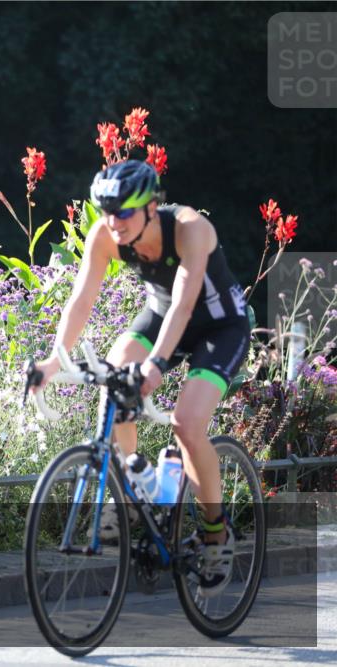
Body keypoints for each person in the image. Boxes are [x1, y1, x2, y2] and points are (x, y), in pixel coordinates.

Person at [30, 159, 250, 595]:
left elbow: (185, 307)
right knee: (113, 382)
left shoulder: (191, 229)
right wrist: (53, 362)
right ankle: (135, 489)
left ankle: (215, 532)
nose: (114, 223)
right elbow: (82, 299)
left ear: (152, 206)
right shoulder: (107, 235)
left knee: (187, 425)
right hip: (160, 316)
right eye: (107, 212)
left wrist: (154, 367)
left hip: (218, 327)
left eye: (125, 213)